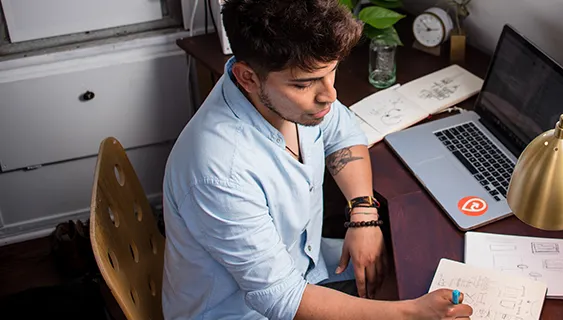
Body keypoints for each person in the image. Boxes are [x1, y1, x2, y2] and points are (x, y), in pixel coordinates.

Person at [160, 0, 474, 319]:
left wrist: (363, 212)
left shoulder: (289, 98)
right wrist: (411, 315)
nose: (329, 95)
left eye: (331, 71)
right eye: (305, 83)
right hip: (245, 312)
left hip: (307, 266)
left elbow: (343, 130)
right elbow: (283, 299)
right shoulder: (220, 172)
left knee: (411, 269)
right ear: (248, 78)